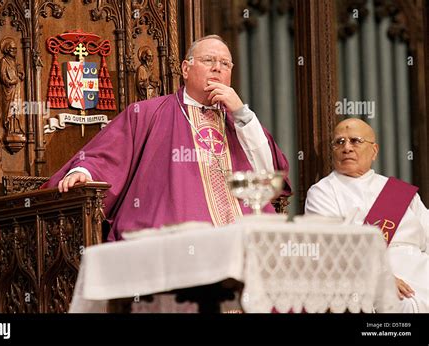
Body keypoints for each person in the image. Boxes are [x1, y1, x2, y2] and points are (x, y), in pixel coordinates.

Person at [42, 35, 291, 241]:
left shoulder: (240, 121)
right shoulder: (149, 113)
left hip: (243, 234)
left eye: (225, 64)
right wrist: (84, 172)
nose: (218, 68)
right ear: (185, 68)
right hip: (171, 235)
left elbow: (268, 174)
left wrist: (241, 112)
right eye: (208, 60)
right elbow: (108, 154)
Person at [305, 118, 429, 312]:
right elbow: (329, 248)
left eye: (355, 140)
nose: (346, 147)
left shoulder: (398, 191)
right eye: (339, 142)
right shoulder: (323, 192)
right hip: (372, 276)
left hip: (421, 266)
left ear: (374, 150)